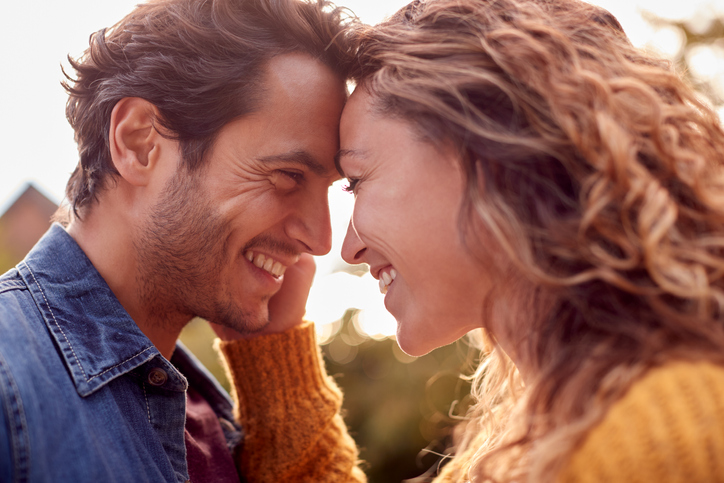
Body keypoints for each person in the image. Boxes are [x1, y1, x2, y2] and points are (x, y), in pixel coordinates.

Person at [227, 0, 724, 481]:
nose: (346, 248)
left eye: (356, 181)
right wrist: (273, 354)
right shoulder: (555, 430)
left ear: (489, 158)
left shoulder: (664, 442)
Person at [0, 0, 362, 481]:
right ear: (139, 143)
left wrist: (279, 377)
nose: (321, 240)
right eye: (287, 175)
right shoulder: (9, 382)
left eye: (332, 189)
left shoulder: (221, 422)